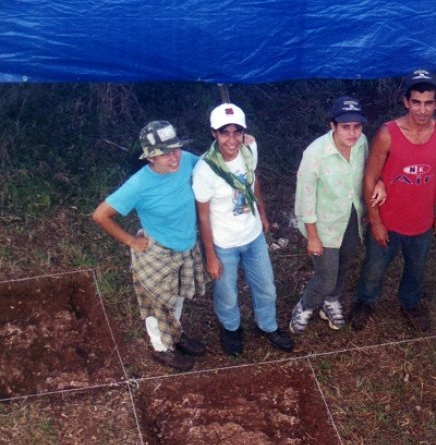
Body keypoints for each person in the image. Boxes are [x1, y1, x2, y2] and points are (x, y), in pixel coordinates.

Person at [92, 121, 206, 371]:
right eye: (165, 153)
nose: (174, 157)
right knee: (158, 301)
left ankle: (175, 334)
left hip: (186, 244)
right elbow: (100, 215)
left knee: (176, 295)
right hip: (158, 249)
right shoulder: (138, 184)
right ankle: (161, 347)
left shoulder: (187, 160)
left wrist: (245, 146)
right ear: (150, 157)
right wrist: (131, 241)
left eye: (175, 149)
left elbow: (212, 166)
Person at [350, 70, 436, 332]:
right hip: (389, 219)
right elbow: (370, 177)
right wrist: (375, 221)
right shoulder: (387, 134)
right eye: (416, 102)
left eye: (428, 102)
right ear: (406, 102)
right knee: (374, 267)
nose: (422, 109)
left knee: (416, 268)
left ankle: (410, 303)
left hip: (422, 221)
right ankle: (365, 301)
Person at [193, 103, 294, 356]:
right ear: (213, 133)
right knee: (227, 293)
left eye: (237, 131)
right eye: (224, 132)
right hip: (223, 243)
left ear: (243, 132)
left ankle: (268, 326)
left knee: (266, 287)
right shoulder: (205, 169)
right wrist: (211, 256)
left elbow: (253, 180)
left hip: (253, 237)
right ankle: (231, 329)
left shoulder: (249, 149)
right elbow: (203, 216)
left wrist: (262, 214)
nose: (231, 139)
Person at [290, 96, 384, 334]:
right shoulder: (315, 154)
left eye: (357, 127)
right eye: (345, 127)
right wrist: (312, 236)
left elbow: (370, 169)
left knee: (344, 263)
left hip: (351, 217)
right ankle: (306, 304)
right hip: (323, 225)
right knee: (326, 276)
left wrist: (380, 181)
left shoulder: (361, 142)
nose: (352, 133)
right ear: (333, 126)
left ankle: (330, 302)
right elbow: (305, 199)